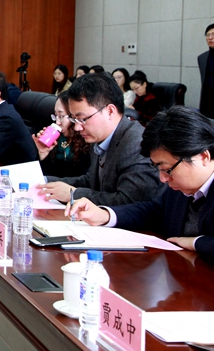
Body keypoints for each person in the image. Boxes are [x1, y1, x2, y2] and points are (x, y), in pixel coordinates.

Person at [67, 107, 214, 260]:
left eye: (167, 170)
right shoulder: (181, 186)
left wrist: (196, 243)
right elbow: (154, 212)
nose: (163, 178)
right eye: (158, 169)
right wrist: (105, 215)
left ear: (203, 157)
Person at [37, 72, 164, 205]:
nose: (77, 127)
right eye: (74, 119)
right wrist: (44, 182)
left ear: (110, 111)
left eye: (82, 119)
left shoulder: (136, 144)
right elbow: (91, 181)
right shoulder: (100, 136)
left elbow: (129, 201)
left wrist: (74, 194)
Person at [33, 92, 91, 178]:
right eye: (55, 116)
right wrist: (43, 154)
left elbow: (83, 181)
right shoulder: (56, 140)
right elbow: (44, 177)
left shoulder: (88, 141)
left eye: (61, 116)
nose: (57, 122)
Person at [198, 23, 214, 119]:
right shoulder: (202, 58)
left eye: (213, 34)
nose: (210, 38)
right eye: (208, 35)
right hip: (207, 105)